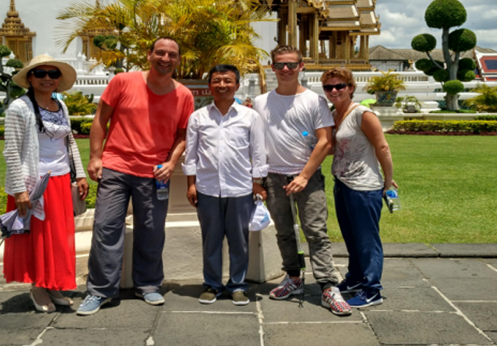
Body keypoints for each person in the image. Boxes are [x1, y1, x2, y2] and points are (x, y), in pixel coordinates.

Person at [77, 37, 194, 314]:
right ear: (149, 54)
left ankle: (148, 285)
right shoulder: (123, 82)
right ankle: (100, 290)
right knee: (106, 227)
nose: (165, 59)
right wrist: (95, 157)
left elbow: (182, 134)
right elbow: (100, 119)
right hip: (116, 167)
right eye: (160, 53)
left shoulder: (183, 95)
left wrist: (171, 162)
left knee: (151, 231)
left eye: (172, 55)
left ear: (178, 60)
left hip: (155, 173)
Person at [253, 45, 351, 316]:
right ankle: (293, 277)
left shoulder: (313, 101)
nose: (285, 69)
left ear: (301, 66)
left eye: (291, 64)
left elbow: (325, 141)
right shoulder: (261, 102)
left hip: (307, 175)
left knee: (316, 231)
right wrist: (256, 179)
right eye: (280, 65)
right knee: (284, 231)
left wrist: (304, 175)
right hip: (274, 176)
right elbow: (257, 143)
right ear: (272, 67)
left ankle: (328, 285)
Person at [4, 54, 89, 312]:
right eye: (40, 73)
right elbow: (11, 151)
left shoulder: (60, 106)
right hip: (34, 183)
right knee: (38, 238)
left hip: (61, 179)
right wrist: (19, 190)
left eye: (53, 74)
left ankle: (52, 283)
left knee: (57, 237)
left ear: (59, 79)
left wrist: (80, 174)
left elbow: (69, 141)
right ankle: (38, 286)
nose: (47, 78)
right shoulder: (19, 107)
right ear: (30, 77)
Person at [183, 65, 268, 305]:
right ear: (209, 85)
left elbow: (258, 153)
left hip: (240, 188)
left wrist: (257, 183)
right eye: (217, 80)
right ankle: (212, 284)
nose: (222, 85)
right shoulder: (198, 117)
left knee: (239, 241)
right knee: (211, 240)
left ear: (237, 85)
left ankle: (238, 285)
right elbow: (191, 155)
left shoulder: (250, 117)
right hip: (207, 188)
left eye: (228, 81)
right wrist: (191, 184)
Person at [322, 68, 397, 308]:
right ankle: (355, 277)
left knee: (367, 240)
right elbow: (335, 147)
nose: (334, 90)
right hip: (342, 183)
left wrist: (388, 180)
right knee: (351, 236)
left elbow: (382, 147)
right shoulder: (335, 114)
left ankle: (372, 288)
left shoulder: (362, 114)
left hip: (364, 186)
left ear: (351, 88)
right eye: (329, 87)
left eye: (340, 86)